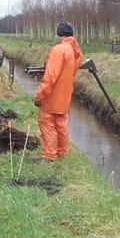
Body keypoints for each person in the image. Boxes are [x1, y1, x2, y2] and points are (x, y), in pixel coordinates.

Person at [32, 21, 83, 163]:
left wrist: (40, 94)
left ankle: (48, 155)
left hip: (52, 95)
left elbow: (50, 76)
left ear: (59, 34)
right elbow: (70, 69)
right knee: (61, 124)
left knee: (47, 122)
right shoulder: (75, 50)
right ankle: (62, 152)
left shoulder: (58, 50)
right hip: (65, 94)